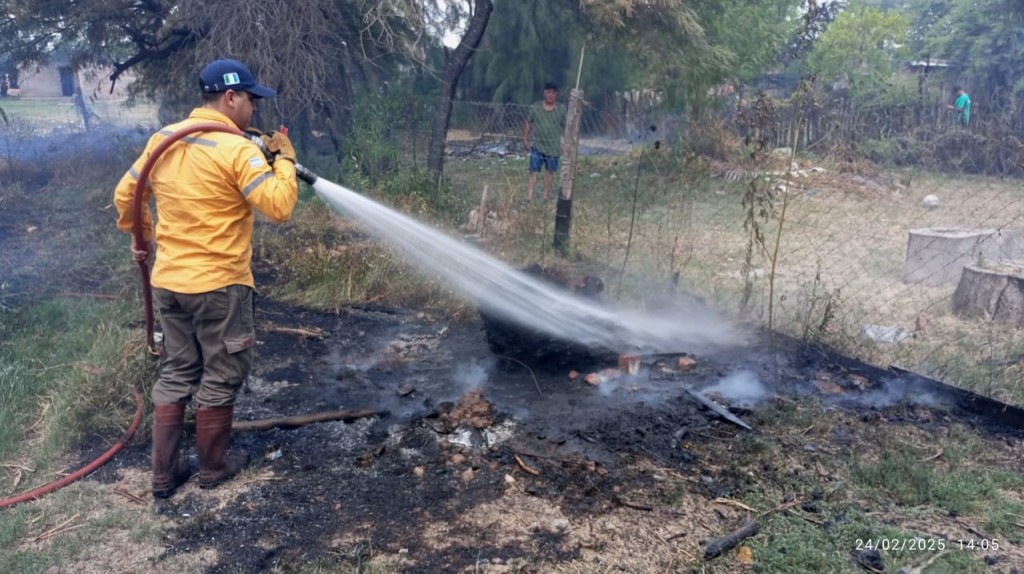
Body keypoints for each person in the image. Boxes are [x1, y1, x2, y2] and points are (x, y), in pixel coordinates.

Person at [113, 59, 299, 499]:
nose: (253, 109)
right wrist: (285, 161)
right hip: (219, 285)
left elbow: (126, 194)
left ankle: (164, 476)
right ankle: (214, 468)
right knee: (222, 371)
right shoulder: (237, 150)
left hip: (170, 282)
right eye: (251, 100)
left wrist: (146, 238)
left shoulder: (163, 139)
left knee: (178, 369)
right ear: (230, 97)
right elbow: (279, 205)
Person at [522, 82, 566, 201]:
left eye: (553, 93)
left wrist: (566, 144)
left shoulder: (561, 109)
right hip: (537, 145)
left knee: (550, 172)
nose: (550, 95)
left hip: (553, 147)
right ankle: (529, 197)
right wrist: (525, 139)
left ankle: (545, 196)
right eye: (548, 92)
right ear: (544, 93)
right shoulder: (535, 107)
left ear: (556, 94)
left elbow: (566, 126)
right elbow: (528, 123)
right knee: (533, 171)